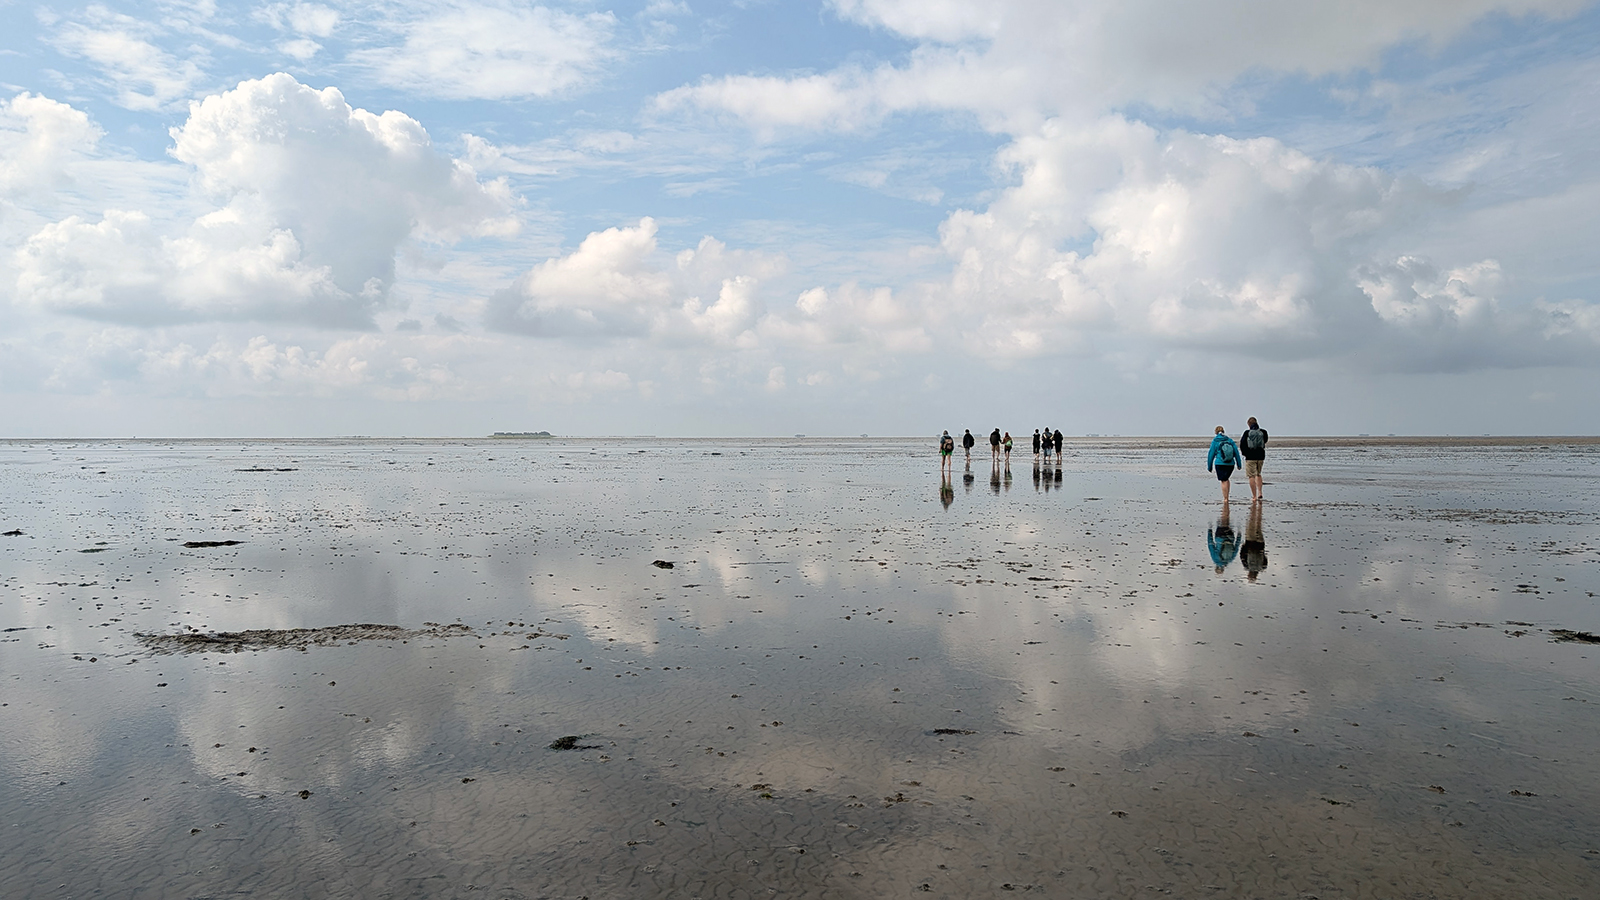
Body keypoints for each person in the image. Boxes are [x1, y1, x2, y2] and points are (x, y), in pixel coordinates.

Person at [1238, 416, 1269, 502]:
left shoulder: (1247, 433)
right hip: (1260, 456)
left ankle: (1254, 496)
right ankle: (1260, 492)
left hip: (1250, 457)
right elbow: (1265, 441)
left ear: (1249, 424)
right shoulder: (1263, 432)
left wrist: (1245, 454)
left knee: (1251, 476)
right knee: (1258, 474)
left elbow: (1242, 444)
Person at [1206, 425, 1240, 502]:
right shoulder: (1230, 440)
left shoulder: (1215, 441)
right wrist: (1239, 464)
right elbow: (1236, 453)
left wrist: (1209, 466)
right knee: (1226, 479)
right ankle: (1227, 496)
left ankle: (1225, 498)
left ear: (1216, 432)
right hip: (1230, 464)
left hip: (1220, 463)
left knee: (1223, 480)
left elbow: (1211, 454)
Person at [1208, 504, 1238, 574]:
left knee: (1226, 522)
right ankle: (1225, 507)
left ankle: (1226, 509)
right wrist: (1209, 531)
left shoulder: (1230, 560)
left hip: (1230, 537)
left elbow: (1236, 548)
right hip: (1220, 536)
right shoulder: (1215, 559)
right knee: (1222, 521)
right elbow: (1211, 545)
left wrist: (1239, 537)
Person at [1241, 501, 1268, 581]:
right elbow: (1243, 555)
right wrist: (1243, 546)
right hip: (1249, 543)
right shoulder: (1247, 566)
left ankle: (1257, 511)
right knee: (1250, 525)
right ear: (1250, 574)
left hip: (1260, 544)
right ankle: (1255, 510)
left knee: (1258, 527)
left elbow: (1265, 558)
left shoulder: (1263, 567)